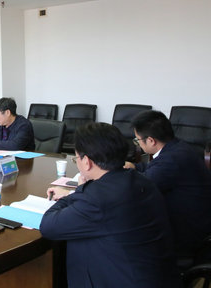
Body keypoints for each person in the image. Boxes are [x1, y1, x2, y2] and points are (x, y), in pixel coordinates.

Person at [41, 123, 180, 288]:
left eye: (76, 158)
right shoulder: (140, 179)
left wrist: (78, 192)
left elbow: (48, 226)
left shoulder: (97, 198)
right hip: (161, 277)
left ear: (87, 162)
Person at [125, 110, 211, 259]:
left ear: (151, 141)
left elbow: (141, 187)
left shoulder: (171, 160)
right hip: (198, 219)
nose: (138, 143)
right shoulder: (177, 147)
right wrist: (134, 167)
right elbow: (154, 169)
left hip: (187, 232)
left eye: (137, 140)